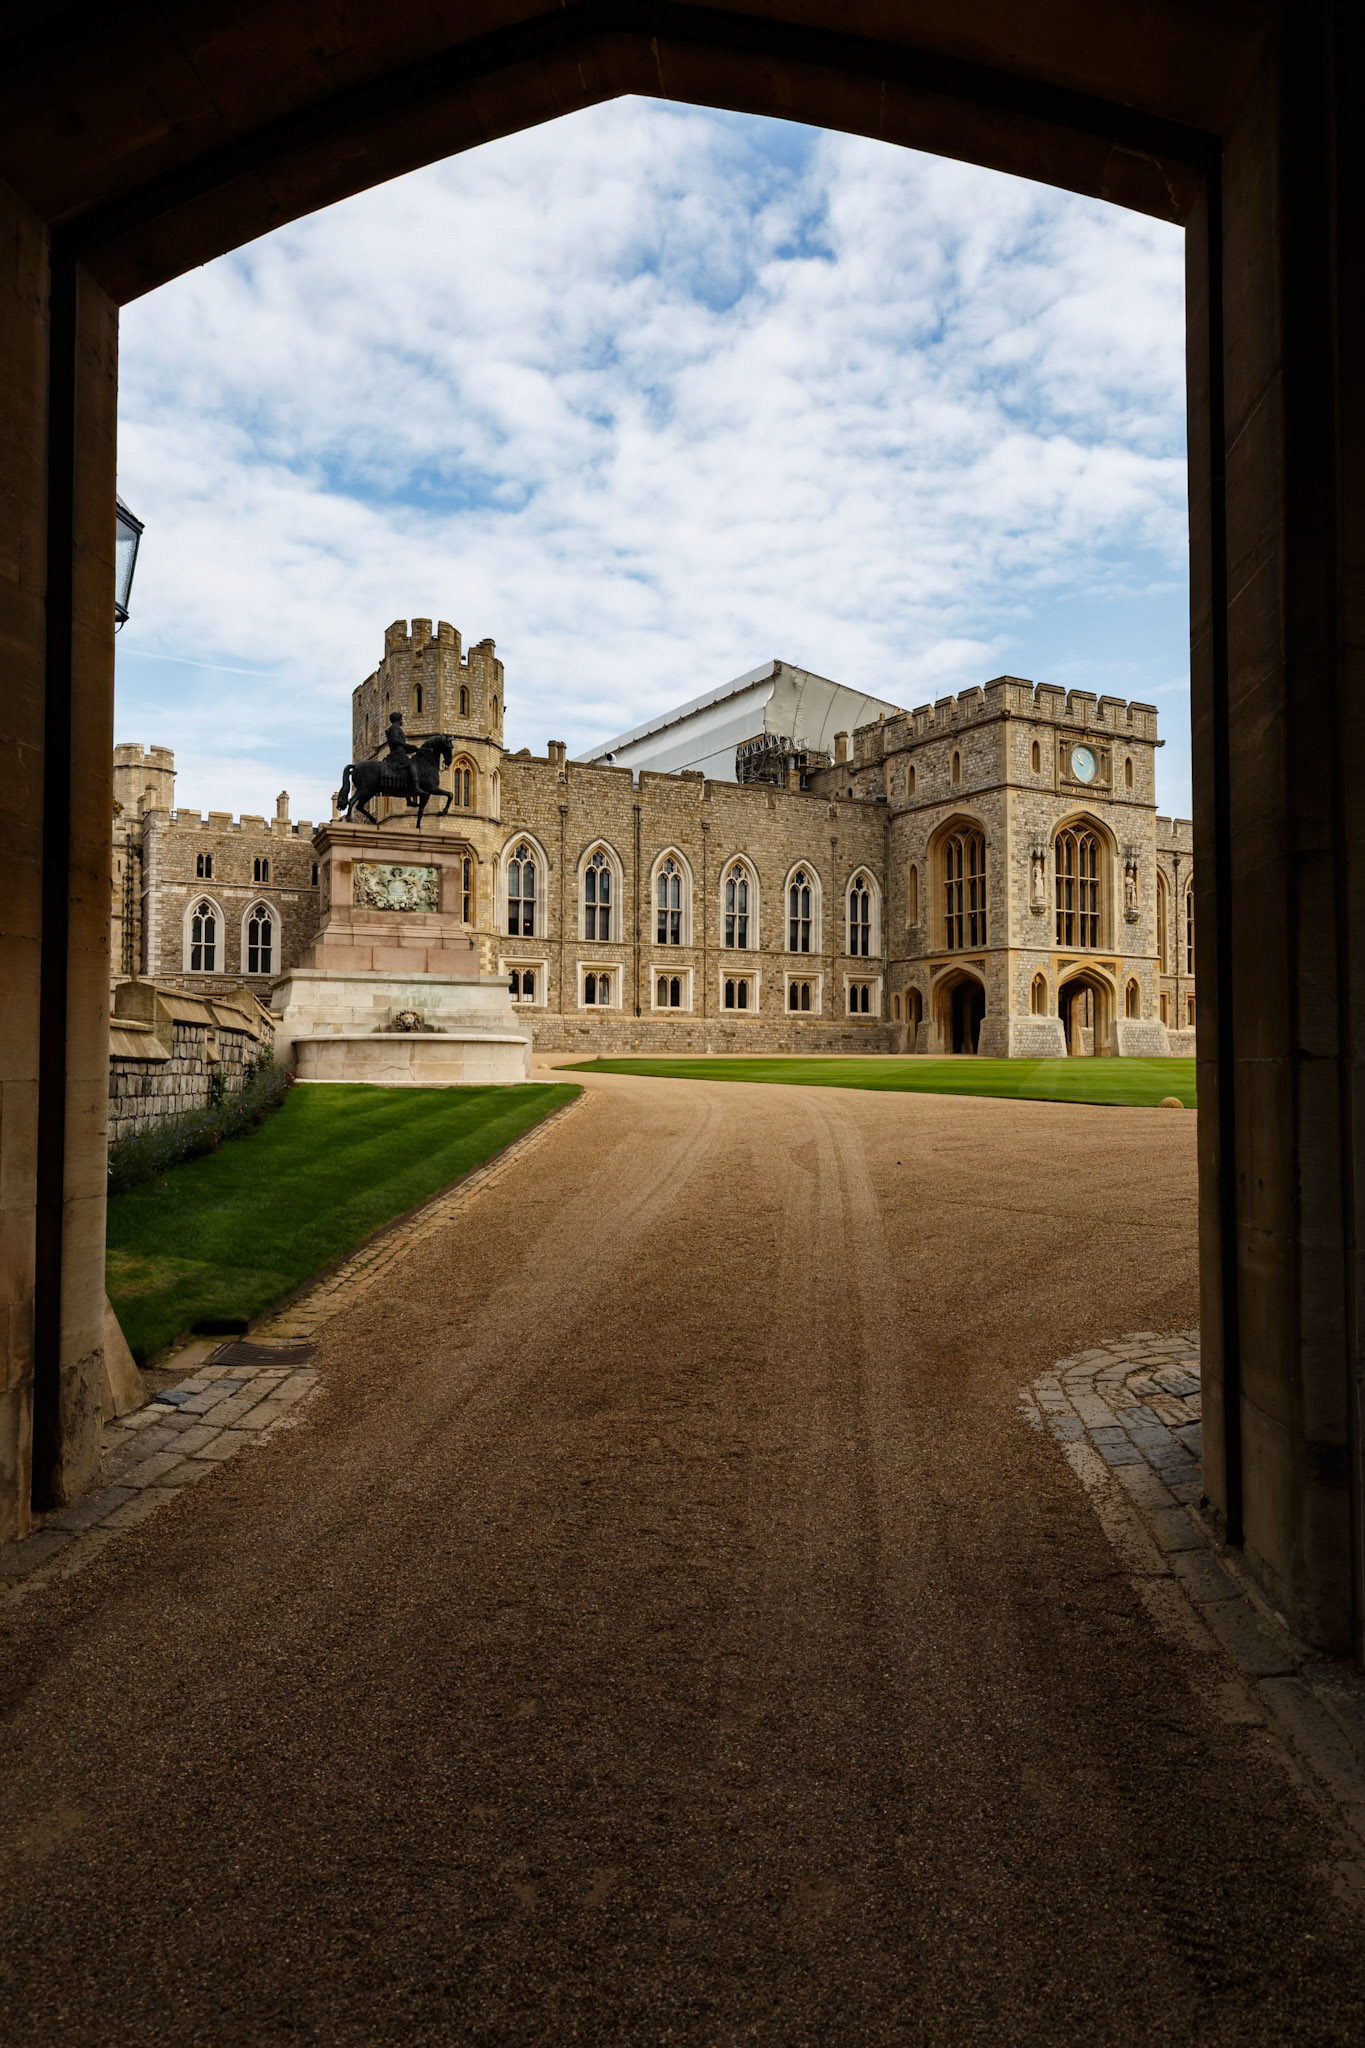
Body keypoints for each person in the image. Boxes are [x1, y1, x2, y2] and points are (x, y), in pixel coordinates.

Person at [385, 709, 422, 803]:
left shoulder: (396, 728)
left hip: (400, 753)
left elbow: (400, 745)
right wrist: (406, 745)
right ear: (398, 719)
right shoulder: (394, 728)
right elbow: (394, 741)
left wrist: (412, 749)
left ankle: (408, 798)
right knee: (412, 766)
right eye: (401, 719)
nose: (402, 721)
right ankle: (416, 788)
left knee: (406, 773)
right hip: (397, 755)